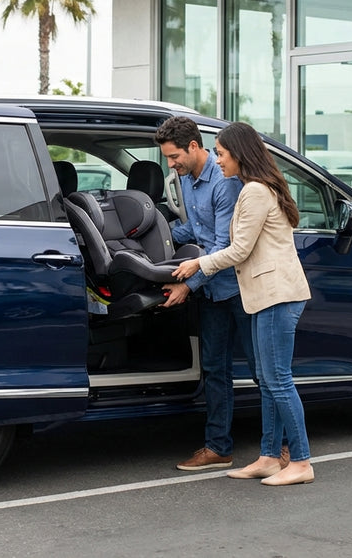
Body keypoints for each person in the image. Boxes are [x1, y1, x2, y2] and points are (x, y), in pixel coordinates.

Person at [172, 121, 315, 486]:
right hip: (268, 295)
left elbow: (238, 250)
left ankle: (300, 461)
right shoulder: (259, 187)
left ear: (239, 154)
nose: (218, 160)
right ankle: (269, 457)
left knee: (278, 380)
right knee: (269, 381)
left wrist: (198, 265)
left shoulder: (253, 192)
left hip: (276, 295)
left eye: (221, 153)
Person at [154, 116, 253, 472]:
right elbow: (192, 230)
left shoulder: (225, 183)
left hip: (239, 291)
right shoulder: (187, 179)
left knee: (263, 371)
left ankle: (285, 448)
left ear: (194, 147)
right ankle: (218, 448)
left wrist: (188, 285)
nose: (171, 164)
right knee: (214, 370)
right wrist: (149, 235)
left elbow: (221, 245)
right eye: (168, 158)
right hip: (213, 294)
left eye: (174, 156)